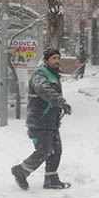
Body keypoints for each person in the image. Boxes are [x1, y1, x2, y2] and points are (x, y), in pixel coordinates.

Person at [11, 48, 73, 190]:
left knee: (56, 151)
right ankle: (21, 170)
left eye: (58, 58)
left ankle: (51, 179)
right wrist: (61, 102)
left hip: (51, 121)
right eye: (53, 58)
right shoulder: (40, 74)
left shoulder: (53, 75)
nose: (57, 61)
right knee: (44, 151)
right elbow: (44, 90)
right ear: (46, 60)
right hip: (39, 120)